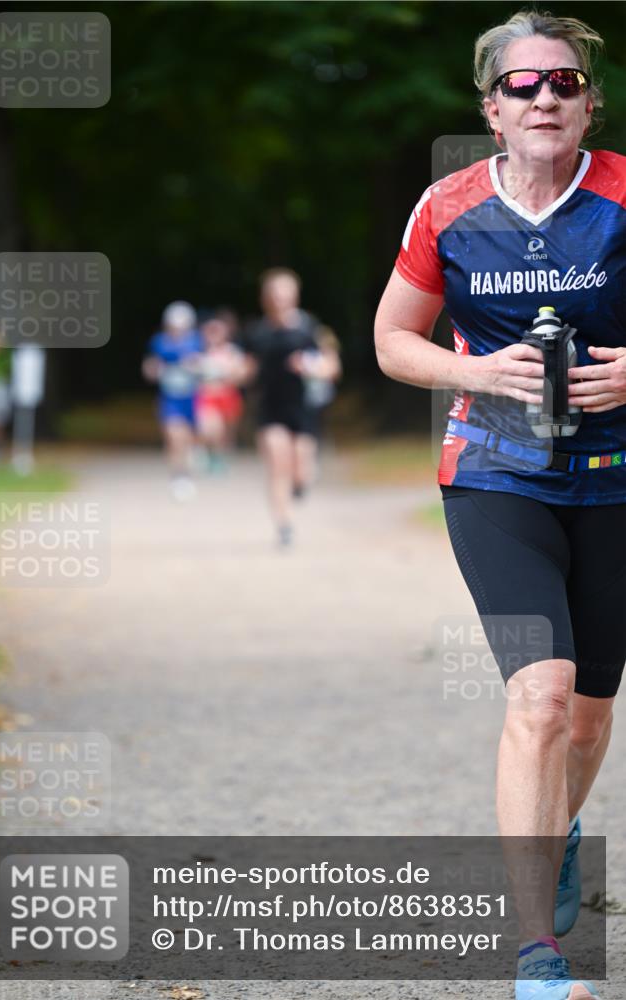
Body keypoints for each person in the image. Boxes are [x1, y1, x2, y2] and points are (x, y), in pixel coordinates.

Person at [374, 11, 625, 1000]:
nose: (545, 97)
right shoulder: (447, 207)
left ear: (588, 100)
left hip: (614, 477)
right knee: (540, 694)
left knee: (592, 712)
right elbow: (395, 340)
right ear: (491, 108)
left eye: (562, 81)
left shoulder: (622, 196)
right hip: (495, 473)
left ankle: (553, 825)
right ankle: (537, 953)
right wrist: (475, 377)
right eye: (523, 85)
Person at [242, 268, 340, 547]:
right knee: (277, 463)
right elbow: (246, 369)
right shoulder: (257, 333)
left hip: (304, 409)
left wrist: (310, 367)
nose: (280, 299)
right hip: (270, 408)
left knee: (300, 469)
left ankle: (300, 483)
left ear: (295, 296)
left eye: (285, 294)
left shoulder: (312, 329)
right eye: (274, 294)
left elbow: (332, 367)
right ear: (265, 298)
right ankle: (284, 525)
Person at [142, 301, 204, 501]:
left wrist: (195, 366)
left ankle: (188, 468)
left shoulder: (197, 341)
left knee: (188, 437)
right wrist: (155, 370)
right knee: (173, 435)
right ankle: (178, 476)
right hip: (169, 397)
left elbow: (205, 365)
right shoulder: (159, 342)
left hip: (192, 396)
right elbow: (149, 366)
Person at [196, 310, 248, 474]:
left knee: (225, 432)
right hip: (207, 397)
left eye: (217, 331)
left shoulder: (232, 352)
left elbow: (242, 373)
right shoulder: (199, 352)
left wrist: (231, 373)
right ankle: (206, 452)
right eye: (210, 331)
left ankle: (218, 457)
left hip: (227, 396)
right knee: (209, 428)